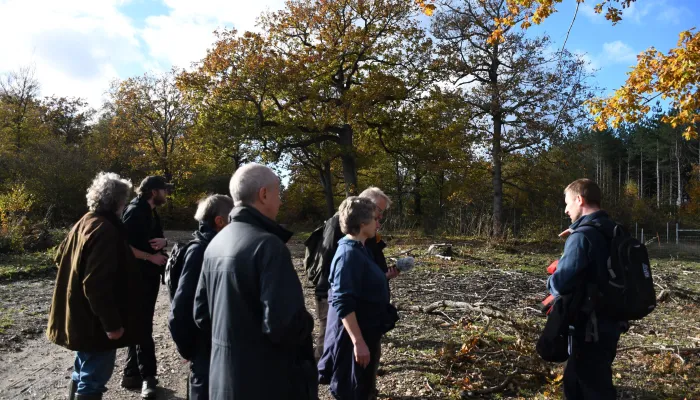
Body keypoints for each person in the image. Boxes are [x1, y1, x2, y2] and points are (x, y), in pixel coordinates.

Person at [193, 163, 317, 400]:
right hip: (266, 382)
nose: (280, 202)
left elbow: (201, 315)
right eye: (278, 194)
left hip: (223, 380)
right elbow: (283, 325)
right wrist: (307, 321)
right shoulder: (269, 246)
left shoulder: (214, 244)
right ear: (264, 194)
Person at [47, 172, 144, 400]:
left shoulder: (85, 221)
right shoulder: (105, 230)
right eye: (125, 200)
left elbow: (59, 257)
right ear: (118, 202)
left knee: (83, 371)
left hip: (82, 317)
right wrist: (111, 325)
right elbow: (96, 285)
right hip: (94, 324)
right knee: (92, 381)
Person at [548, 179, 622, 399]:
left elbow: (561, 284)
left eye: (568, 203)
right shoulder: (615, 230)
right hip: (613, 320)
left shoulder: (582, 235)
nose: (566, 209)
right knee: (584, 379)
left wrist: (553, 276)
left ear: (579, 199)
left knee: (590, 387)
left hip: (589, 326)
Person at [318, 197, 397, 400]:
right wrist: (358, 342)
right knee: (352, 391)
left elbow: (363, 281)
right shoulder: (348, 254)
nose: (378, 224)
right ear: (363, 224)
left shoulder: (361, 248)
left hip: (367, 331)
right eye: (375, 219)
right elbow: (343, 301)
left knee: (362, 387)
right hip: (351, 339)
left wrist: (385, 275)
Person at [168, 194, 234, 400]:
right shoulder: (200, 252)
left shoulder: (214, 248)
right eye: (233, 219)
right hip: (203, 350)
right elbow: (179, 310)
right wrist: (190, 350)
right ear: (219, 221)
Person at [120, 176, 172, 398]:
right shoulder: (135, 211)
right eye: (164, 190)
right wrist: (150, 258)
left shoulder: (149, 210)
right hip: (136, 278)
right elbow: (123, 246)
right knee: (142, 327)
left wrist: (165, 243)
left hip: (147, 278)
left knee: (139, 323)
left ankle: (131, 374)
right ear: (153, 192)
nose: (166, 194)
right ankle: (148, 378)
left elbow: (155, 238)